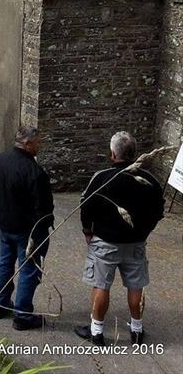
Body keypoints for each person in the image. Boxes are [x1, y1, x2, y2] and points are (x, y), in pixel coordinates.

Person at [74, 132, 165, 346]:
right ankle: (136, 329)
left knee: (101, 285)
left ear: (112, 153)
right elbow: (158, 211)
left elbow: (86, 207)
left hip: (105, 242)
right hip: (136, 243)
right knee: (136, 286)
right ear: (134, 154)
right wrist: (144, 232)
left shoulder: (103, 177)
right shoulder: (150, 181)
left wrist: (88, 231)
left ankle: (96, 331)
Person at [0, 126, 54, 330]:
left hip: (4, 223)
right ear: (27, 144)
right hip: (27, 230)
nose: (39, 147)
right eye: (37, 143)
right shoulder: (34, 172)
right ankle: (23, 315)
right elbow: (44, 208)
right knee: (29, 269)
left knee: (5, 260)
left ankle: (0, 303)